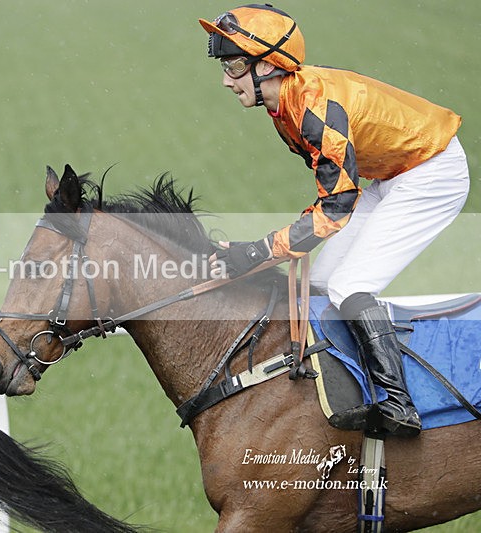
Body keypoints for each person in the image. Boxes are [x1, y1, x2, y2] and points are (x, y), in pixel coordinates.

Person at [200, 4, 470, 437]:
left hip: (432, 172)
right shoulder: (284, 106)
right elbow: (333, 198)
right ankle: (345, 387)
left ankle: (400, 405)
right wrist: (264, 251)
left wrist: (259, 251)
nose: (226, 81)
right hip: (390, 176)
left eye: (234, 66)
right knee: (324, 283)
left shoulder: (313, 109)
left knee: (350, 287)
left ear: (267, 65)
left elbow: (337, 206)